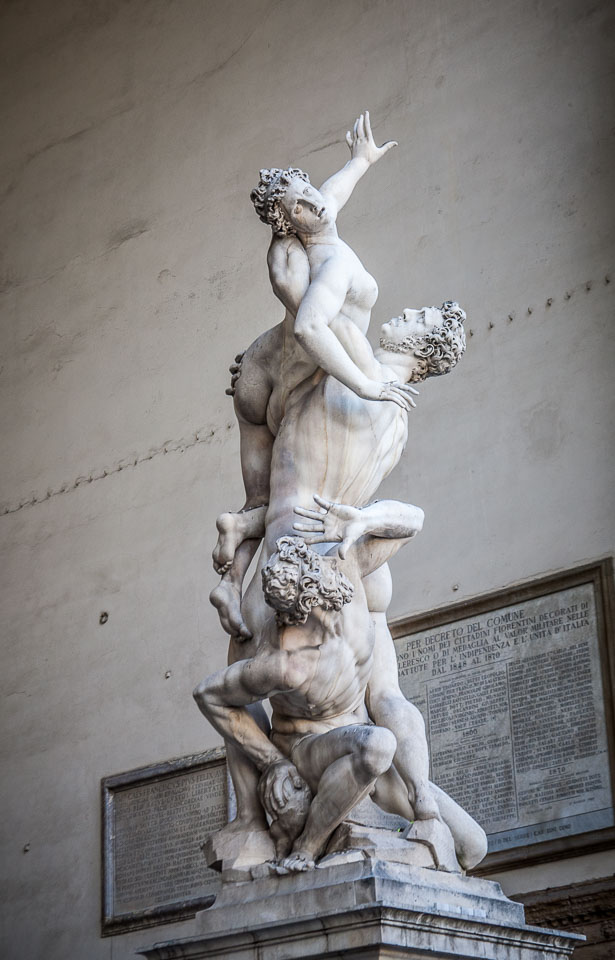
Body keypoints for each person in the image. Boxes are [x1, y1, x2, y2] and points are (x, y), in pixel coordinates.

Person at [194, 494, 487, 873]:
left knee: (472, 846)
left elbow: (414, 520)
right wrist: (274, 762)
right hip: (311, 751)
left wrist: (365, 520)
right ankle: (308, 846)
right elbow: (208, 695)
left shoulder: (351, 583)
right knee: (380, 744)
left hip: (360, 739)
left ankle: (396, 817)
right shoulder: (287, 665)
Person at [210, 111, 418, 641]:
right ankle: (240, 555)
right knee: (285, 495)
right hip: (277, 374)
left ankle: (231, 583)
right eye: (299, 205)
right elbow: (310, 329)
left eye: (307, 190)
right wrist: (366, 384)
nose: (312, 202)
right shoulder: (314, 263)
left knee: (259, 501)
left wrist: (360, 160)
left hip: (259, 364)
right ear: (288, 224)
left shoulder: (314, 221)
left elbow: (332, 193)